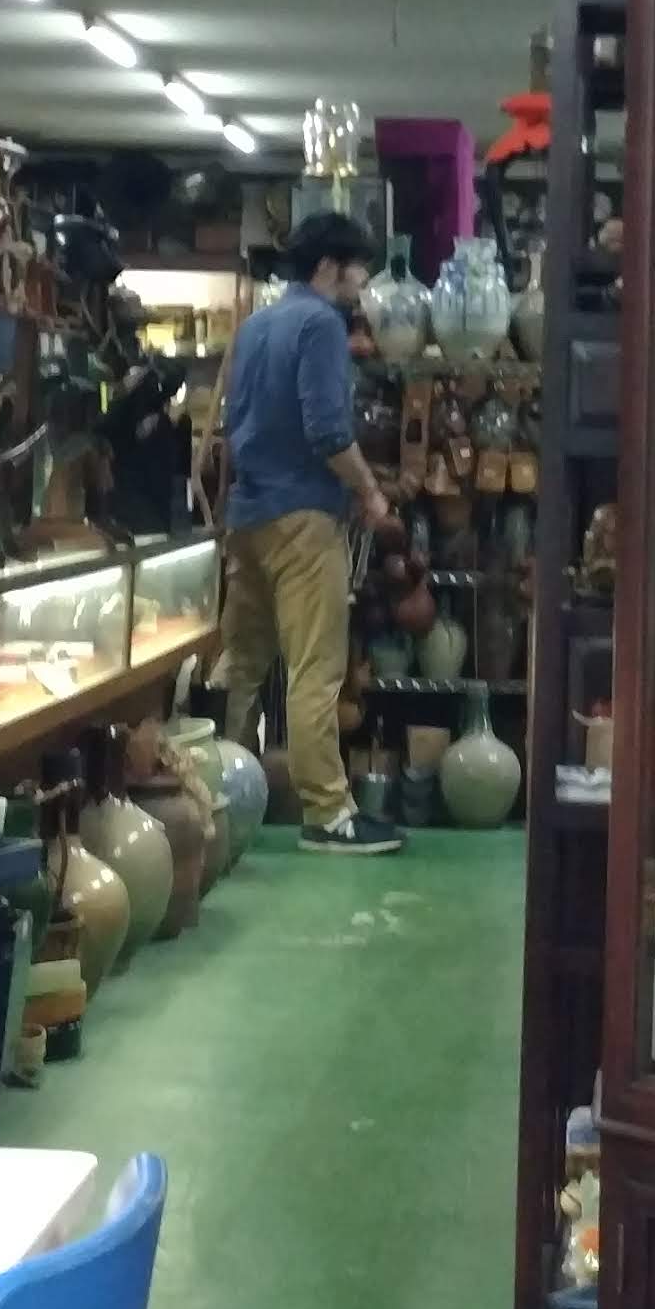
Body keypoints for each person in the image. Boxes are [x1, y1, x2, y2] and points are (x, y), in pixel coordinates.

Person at [210, 212, 403, 855]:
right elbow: (328, 433)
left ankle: (214, 791)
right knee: (315, 670)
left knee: (241, 663)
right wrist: (371, 493)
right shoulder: (321, 324)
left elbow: (231, 423)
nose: (361, 284)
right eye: (357, 269)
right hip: (302, 520)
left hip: (248, 515)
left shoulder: (257, 324)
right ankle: (327, 812)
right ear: (329, 266)